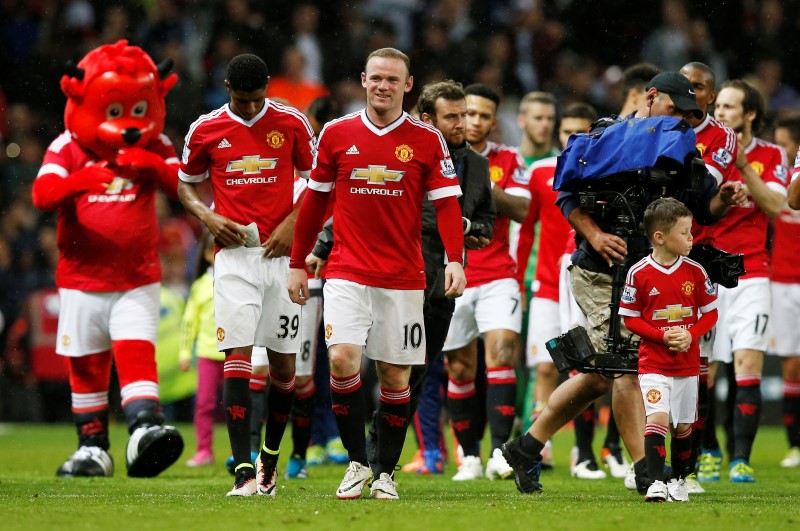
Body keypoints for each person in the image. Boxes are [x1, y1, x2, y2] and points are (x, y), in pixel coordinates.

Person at [500, 72, 745, 495]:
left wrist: (725, 198)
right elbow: (566, 196)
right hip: (598, 267)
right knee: (629, 366)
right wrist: (593, 233)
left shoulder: (683, 149)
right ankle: (647, 470)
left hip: (647, 273)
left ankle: (526, 447)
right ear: (651, 97)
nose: (682, 120)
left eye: (689, 115)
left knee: (600, 374)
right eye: (675, 109)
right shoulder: (604, 136)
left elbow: (703, 208)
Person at [288, 48, 467, 501]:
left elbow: (447, 204)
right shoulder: (336, 134)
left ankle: (385, 471)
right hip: (347, 271)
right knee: (344, 359)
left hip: (405, 278)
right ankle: (356, 463)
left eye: (393, 80)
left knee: (394, 377)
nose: (383, 86)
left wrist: (455, 258)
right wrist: (296, 261)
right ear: (363, 79)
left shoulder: (427, 140)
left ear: (408, 86)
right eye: (376, 78)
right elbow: (313, 204)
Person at [308, 80, 495, 477]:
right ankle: (371, 455)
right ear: (428, 119)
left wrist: (471, 231)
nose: (463, 124)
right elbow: (359, 207)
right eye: (453, 116)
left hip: (441, 282)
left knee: (419, 371)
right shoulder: (404, 149)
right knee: (365, 362)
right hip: (396, 270)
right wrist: (321, 248)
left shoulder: (477, 165)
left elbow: (487, 223)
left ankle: (383, 452)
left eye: (464, 115)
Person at [32, 41, 184, 479]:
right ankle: (93, 448)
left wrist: (153, 166)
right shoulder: (67, 147)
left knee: (137, 354)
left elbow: (182, 187)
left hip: (136, 277)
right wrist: (80, 181)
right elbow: (42, 195)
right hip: (81, 279)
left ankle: (143, 433)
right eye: (117, 112)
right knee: (86, 361)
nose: (132, 126)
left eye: (138, 111)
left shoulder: (158, 143)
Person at [177, 53, 315, 496]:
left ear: (268, 87)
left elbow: (318, 183)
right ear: (226, 87)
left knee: (283, 367)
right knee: (235, 357)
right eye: (243, 101)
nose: (252, 110)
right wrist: (207, 216)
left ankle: (269, 461)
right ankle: (241, 470)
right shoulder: (205, 128)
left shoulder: (292, 122)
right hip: (234, 257)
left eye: (259, 100)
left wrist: (293, 224)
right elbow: (185, 182)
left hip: (282, 257)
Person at [516, 102, 612, 480]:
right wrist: (518, 275)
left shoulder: (603, 172)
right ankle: (542, 445)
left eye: (581, 130)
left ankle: (581, 452)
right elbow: (525, 231)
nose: (573, 137)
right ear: (559, 134)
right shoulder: (540, 171)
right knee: (543, 366)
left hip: (584, 278)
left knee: (583, 365)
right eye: (566, 131)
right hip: (544, 281)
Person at [440, 83, 529, 481]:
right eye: (465, 114)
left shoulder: (508, 159)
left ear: (494, 122)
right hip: (450, 271)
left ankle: (500, 452)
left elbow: (525, 209)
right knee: (459, 368)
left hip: (497, 275)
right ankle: (470, 455)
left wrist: (480, 181)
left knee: (503, 352)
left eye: (481, 116)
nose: (472, 122)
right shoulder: (435, 157)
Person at [704, 79, 788, 483]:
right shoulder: (699, 150)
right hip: (706, 273)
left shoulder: (771, 155)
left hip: (752, 271)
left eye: (730, 107)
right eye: (717, 106)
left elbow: (775, 204)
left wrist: (740, 165)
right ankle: (706, 449)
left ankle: (740, 458)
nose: (720, 113)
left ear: (750, 113)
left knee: (748, 362)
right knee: (705, 370)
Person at [619, 198, 718, 502]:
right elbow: (630, 319)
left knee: (684, 426)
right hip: (654, 364)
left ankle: (678, 479)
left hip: (686, 365)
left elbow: (710, 313)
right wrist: (663, 338)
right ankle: (655, 483)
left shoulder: (696, 272)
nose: (691, 239)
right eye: (685, 233)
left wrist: (690, 335)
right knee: (658, 419)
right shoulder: (638, 273)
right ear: (660, 237)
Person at [679, 61, 740, 490]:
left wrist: (721, 201)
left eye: (697, 87)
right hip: (650, 257)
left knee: (696, 368)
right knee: (643, 365)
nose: (689, 93)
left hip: (698, 260)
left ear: (711, 96)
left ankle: (690, 465)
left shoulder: (722, 136)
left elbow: (699, 194)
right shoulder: (655, 123)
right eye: (683, 86)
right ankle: (643, 461)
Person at [770, 115, 800, 468]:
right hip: (783, 281)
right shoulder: (778, 180)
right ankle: (795, 445)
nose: (779, 150)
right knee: (792, 365)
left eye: (785, 143)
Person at [180, 231, 224, 467]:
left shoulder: (238, 282)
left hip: (235, 353)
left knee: (239, 404)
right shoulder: (200, 286)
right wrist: (185, 353)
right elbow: (189, 322)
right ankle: (204, 450)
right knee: (204, 404)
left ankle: (246, 450)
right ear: (207, 255)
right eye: (215, 250)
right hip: (208, 353)